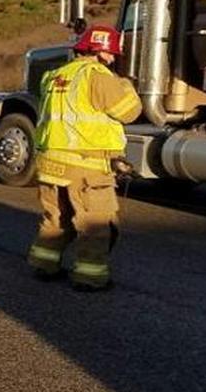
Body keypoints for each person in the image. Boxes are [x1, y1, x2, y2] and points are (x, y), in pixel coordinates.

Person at [27, 25, 141, 291]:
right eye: (112, 54)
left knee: (56, 217)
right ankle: (90, 277)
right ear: (102, 53)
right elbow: (129, 112)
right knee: (95, 223)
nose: (113, 59)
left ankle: (44, 264)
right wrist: (126, 84)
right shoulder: (99, 76)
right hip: (85, 165)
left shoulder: (54, 75)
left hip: (50, 162)